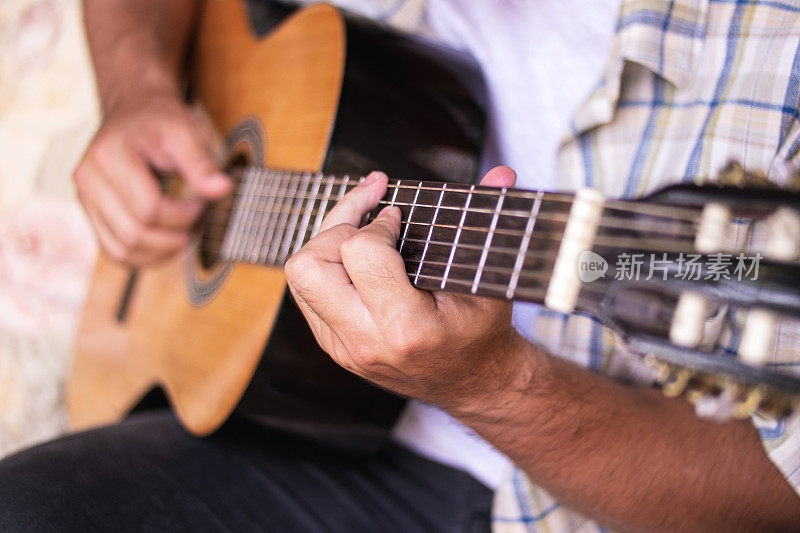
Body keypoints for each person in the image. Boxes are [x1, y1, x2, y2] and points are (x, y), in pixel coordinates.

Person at [1, 0, 799, 531]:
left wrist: (496, 385)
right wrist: (135, 88)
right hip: (277, 401)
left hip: (531, 488)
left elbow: (774, 498)